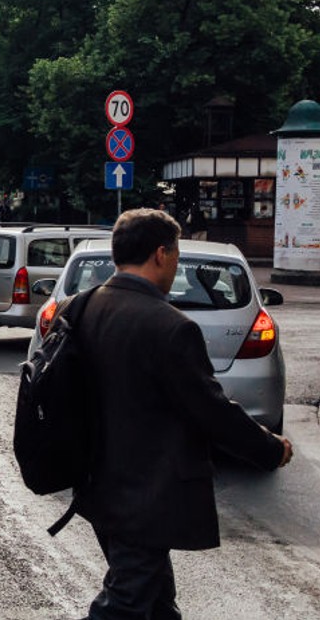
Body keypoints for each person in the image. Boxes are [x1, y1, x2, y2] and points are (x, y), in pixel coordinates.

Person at [73, 208, 292, 619]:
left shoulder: (81, 307)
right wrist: (270, 449)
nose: (175, 265)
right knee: (124, 606)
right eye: (174, 254)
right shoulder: (169, 326)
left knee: (155, 604)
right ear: (161, 254)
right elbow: (211, 410)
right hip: (144, 492)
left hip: (95, 484)